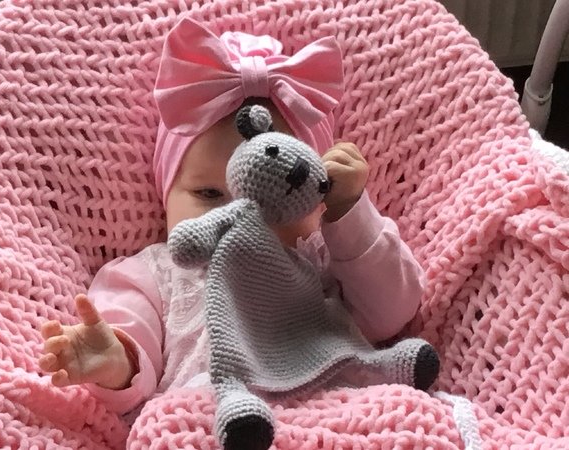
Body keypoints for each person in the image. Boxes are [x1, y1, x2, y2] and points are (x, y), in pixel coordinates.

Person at [38, 17, 425, 417]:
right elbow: (134, 352)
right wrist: (116, 359)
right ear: (166, 195)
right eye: (208, 194)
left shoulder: (325, 254)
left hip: (337, 413)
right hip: (212, 420)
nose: (236, 215)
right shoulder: (152, 273)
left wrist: (351, 214)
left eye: (267, 200)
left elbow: (392, 312)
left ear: (317, 190)